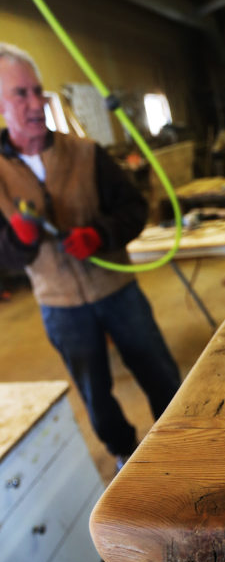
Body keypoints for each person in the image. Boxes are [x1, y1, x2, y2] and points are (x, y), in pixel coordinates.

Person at [0, 43, 181, 470]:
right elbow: (4, 258)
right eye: (20, 94)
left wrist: (99, 234)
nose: (33, 103)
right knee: (94, 390)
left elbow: (136, 207)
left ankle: (181, 443)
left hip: (116, 289)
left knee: (158, 370)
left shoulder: (86, 153)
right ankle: (124, 454)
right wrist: (21, 240)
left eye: (37, 91)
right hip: (59, 304)